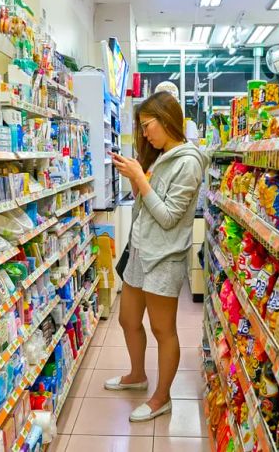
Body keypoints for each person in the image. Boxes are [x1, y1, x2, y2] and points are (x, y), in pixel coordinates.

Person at [108, 91, 208, 422]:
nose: (145, 133)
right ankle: (137, 374)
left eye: (147, 125)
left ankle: (161, 397)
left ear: (167, 120)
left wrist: (140, 179)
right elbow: (148, 207)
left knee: (163, 330)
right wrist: (138, 181)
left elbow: (168, 217)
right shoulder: (162, 155)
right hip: (140, 250)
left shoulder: (189, 162)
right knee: (127, 319)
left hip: (164, 257)